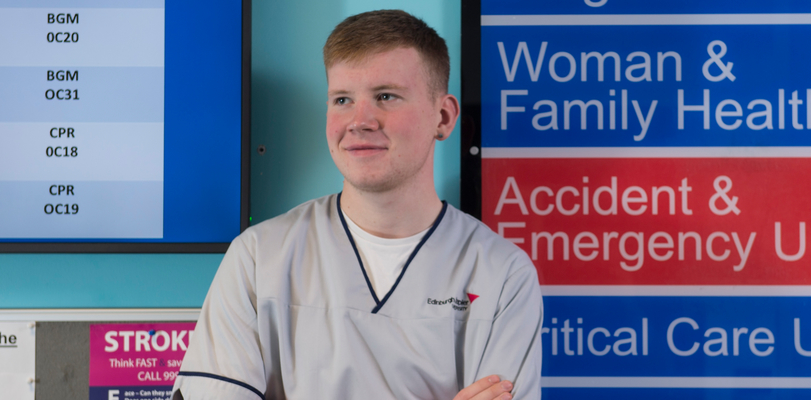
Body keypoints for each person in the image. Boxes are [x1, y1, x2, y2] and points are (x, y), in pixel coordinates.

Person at [171, 9, 543, 400]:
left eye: (386, 96)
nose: (359, 121)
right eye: (343, 99)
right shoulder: (258, 257)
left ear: (444, 116)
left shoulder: (502, 275)